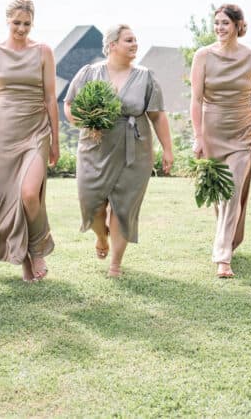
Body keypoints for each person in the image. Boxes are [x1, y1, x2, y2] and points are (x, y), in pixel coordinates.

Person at [63, 24, 174, 277]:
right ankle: (101, 236)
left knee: (124, 207)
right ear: (112, 45)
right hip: (95, 147)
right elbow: (69, 105)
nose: (134, 44)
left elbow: (157, 116)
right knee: (91, 203)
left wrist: (168, 149)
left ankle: (115, 264)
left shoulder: (146, 77)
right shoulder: (89, 73)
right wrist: (84, 121)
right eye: (129, 40)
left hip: (134, 148)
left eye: (135, 40)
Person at [0, 0, 60, 282]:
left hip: (36, 131)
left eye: (27, 23)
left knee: (29, 193)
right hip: (3, 133)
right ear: (7, 21)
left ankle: (37, 248)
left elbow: (51, 97)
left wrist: (56, 140)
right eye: (16, 22)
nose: (21, 28)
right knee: (12, 200)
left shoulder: (43, 51)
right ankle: (26, 262)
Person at [190, 4, 251, 278]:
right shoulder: (203, 56)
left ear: (238, 25)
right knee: (219, 194)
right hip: (212, 132)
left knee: (233, 190)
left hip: (243, 131)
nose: (220, 28)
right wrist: (198, 137)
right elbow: (196, 99)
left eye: (225, 23)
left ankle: (223, 257)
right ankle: (231, 241)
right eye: (217, 23)